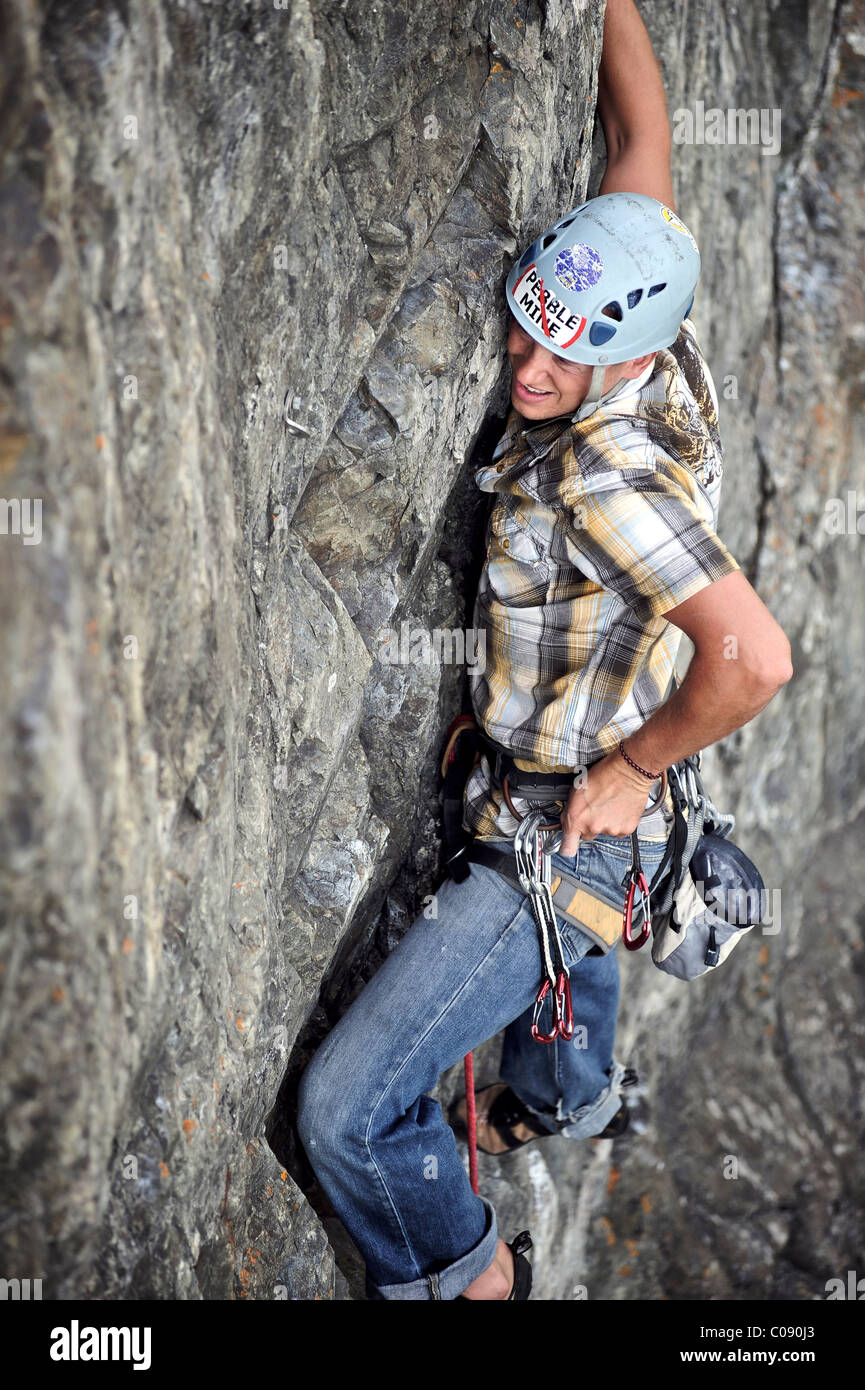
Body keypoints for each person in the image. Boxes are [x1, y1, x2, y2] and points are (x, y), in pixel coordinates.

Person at [296, 0, 793, 1301]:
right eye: (523, 330)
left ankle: (476, 1275)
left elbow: (750, 657)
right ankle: (564, 1096)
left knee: (346, 1113)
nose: (523, 366)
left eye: (557, 351)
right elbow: (643, 142)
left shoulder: (606, 479)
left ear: (613, 352)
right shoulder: (648, 323)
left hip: (568, 830)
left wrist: (632, 765)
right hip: (576, 806)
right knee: (570, 950)